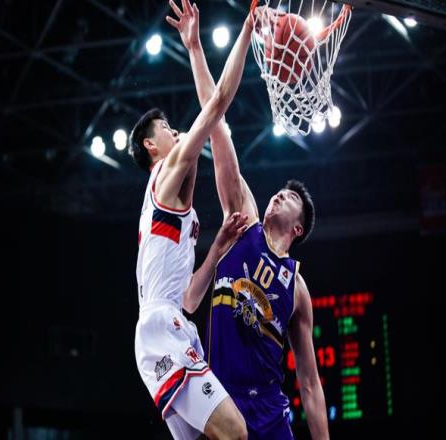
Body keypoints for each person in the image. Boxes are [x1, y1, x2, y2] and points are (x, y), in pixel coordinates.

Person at [167, 1, 329, 439]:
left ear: (297, 228)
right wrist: (194, 48)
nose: (279, 194)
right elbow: (216, 121)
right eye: (281, 190)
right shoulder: (244, 222)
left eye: (290, 197)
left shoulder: (297, 288)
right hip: (222, 402)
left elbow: (310, 384)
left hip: (271, 413)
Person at [129, 1, 256, 438]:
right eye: (166, 128)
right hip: (162, 328)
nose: (174, 130)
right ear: (152, 146)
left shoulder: (172, 204)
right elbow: (217, 104)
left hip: (170, 323)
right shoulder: (165, 174)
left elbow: (189, 298)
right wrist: (241, 31)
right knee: (236, 432)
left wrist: (217, 247)